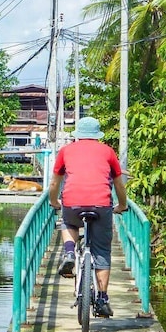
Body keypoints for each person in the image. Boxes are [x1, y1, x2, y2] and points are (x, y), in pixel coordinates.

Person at [48, 116, 128, 317]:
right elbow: (119, 185)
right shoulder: (108, 151)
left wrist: (54, 202)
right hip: (101, 204)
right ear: (97, 135)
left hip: (72, 202)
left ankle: (68, 253)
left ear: (78, 135)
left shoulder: (66, 151)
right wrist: (123, 205)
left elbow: (54, 184)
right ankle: (102, 299)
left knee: (68, 223)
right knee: (101, 251)